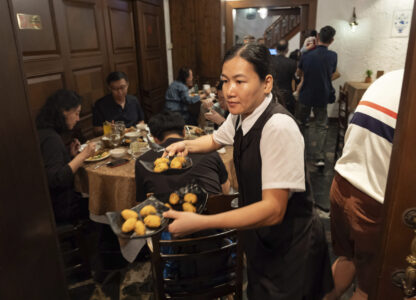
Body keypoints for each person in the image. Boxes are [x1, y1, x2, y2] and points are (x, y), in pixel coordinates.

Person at [162, 44, 333, 299]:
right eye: (224, 81)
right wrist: (184, 144)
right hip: (263, 238)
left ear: (266, 83)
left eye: (240, 81)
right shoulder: (241, 113)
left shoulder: (278, 127)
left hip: (291, 245)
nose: (229, 91)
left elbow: (273, 210)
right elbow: (215, 140)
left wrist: (203, 222)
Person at [325, 70, 404, 300]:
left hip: (342, 183)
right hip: (372, 201)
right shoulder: (410, 91)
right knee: (368, 289)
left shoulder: (390, 77)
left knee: (347, 259)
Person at [135, 111, 230, 202]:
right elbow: (225, 189)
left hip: (166, 215)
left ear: (155, 139)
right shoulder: (209, 150)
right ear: (184, 132)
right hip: (213, 212)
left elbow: (142, 201)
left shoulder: (141, 161)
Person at [36, 89, 96, 223]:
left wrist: (72, 156)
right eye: (76, 113)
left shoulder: (44, 132)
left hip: (48, 202)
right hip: (62, 207)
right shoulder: (51, 139)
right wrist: (83, 156)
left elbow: (53, 167)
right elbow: (56, 179)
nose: (78, 118)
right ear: (64, 111)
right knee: (101, 201)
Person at [296, 25, 338, 167]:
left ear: (318, 37)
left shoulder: (306, 55)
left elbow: (298, 74)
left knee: (300, 123)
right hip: (322, 94)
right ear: (331, 40)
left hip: (306, 93)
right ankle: (320, 157)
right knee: (321, 126)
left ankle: (299, 152)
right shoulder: (333, 56)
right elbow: (332, 74)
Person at [272, 39, 297, 114]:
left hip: (272, 94)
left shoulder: (270, 61)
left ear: (276, 49)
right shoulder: (292, 62)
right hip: (287, 94)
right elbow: (296, 79)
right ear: (287, 50)